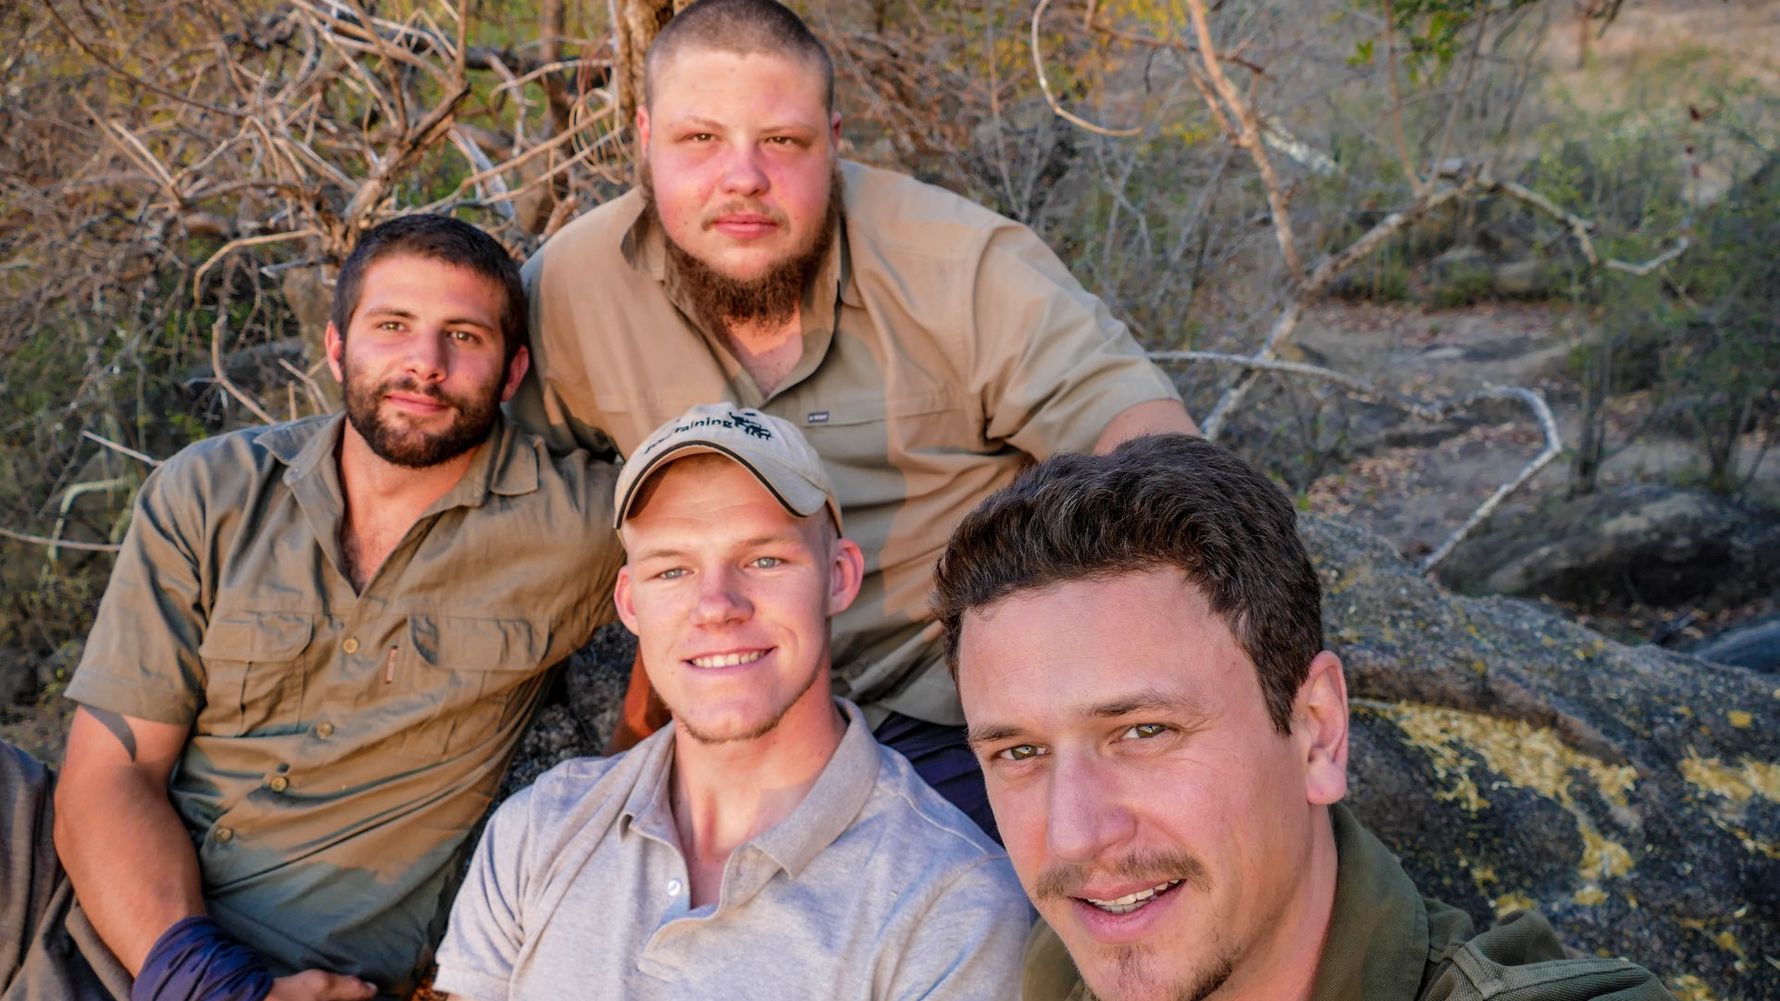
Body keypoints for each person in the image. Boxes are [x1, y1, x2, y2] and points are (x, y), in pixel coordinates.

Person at [509, 0, 1197, 835]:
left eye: (782, 140)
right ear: (646, 138)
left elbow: (1149, 444)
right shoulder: (575, 287)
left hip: (942, 708)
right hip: (722, 695)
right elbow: (494, 467)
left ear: (833, 140)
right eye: (701, 139)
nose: (743, 176)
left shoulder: (959, 264)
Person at [0, 215, 624, 1000]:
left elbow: (732, 514)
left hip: (287, 964)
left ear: (512, 371)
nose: (424, 363)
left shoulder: (582, 526)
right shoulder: (214, 489)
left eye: (463, 336)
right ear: (335, 346)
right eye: (392, 325)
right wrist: (206, 985)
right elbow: (112, 773)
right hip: (86, 893)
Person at [930, 434, 1675, 1001]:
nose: (1074, 834)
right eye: (1019, 752)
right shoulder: (1052, 970)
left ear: (1318, 730)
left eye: (1144, 732)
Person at [432, 404, 1028, 1000]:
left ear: (839, 576)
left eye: (764, 560)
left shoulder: (952, 902)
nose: (717, 606)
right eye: (672, 571)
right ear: (630, 602)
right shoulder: (537, 830)